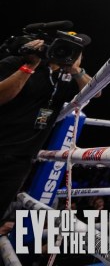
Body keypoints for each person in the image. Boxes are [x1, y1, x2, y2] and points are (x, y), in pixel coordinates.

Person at [0, 32, 95, 219]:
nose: (67, 53)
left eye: (76, 51)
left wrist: (76, 70)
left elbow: (95, 92)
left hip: (21, 159)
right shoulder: (16, 61)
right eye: (63, 46)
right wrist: (29, 65)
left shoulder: (65, 77)